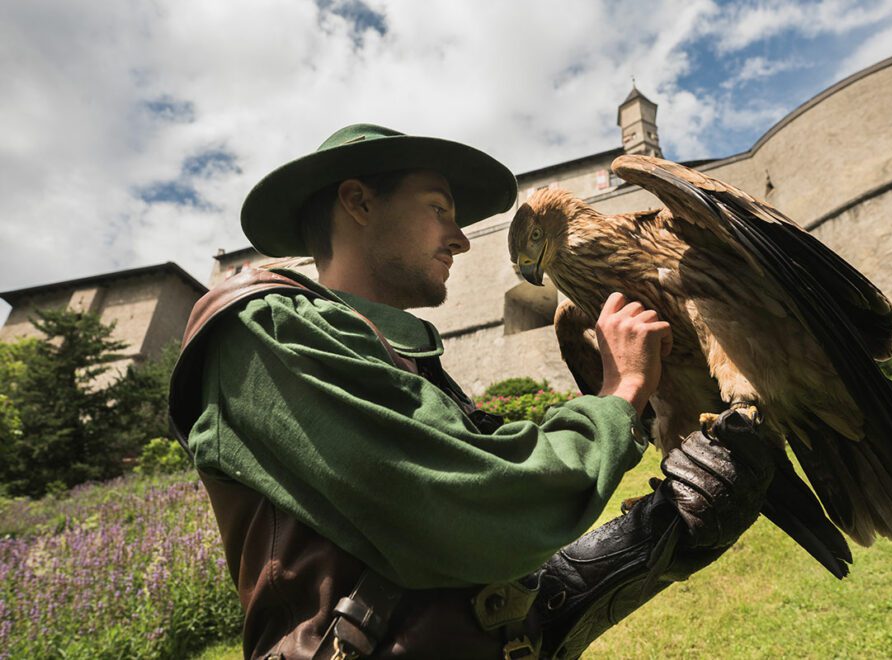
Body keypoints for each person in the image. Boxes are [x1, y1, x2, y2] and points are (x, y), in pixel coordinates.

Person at [168, 124, 774, 659]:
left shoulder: (393, 353)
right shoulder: (266, 332)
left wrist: (654, 539)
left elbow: (465, 589)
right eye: (439, 209)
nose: (461, 239)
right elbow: (484, 506)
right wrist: (621, 391)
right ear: (357, 202)